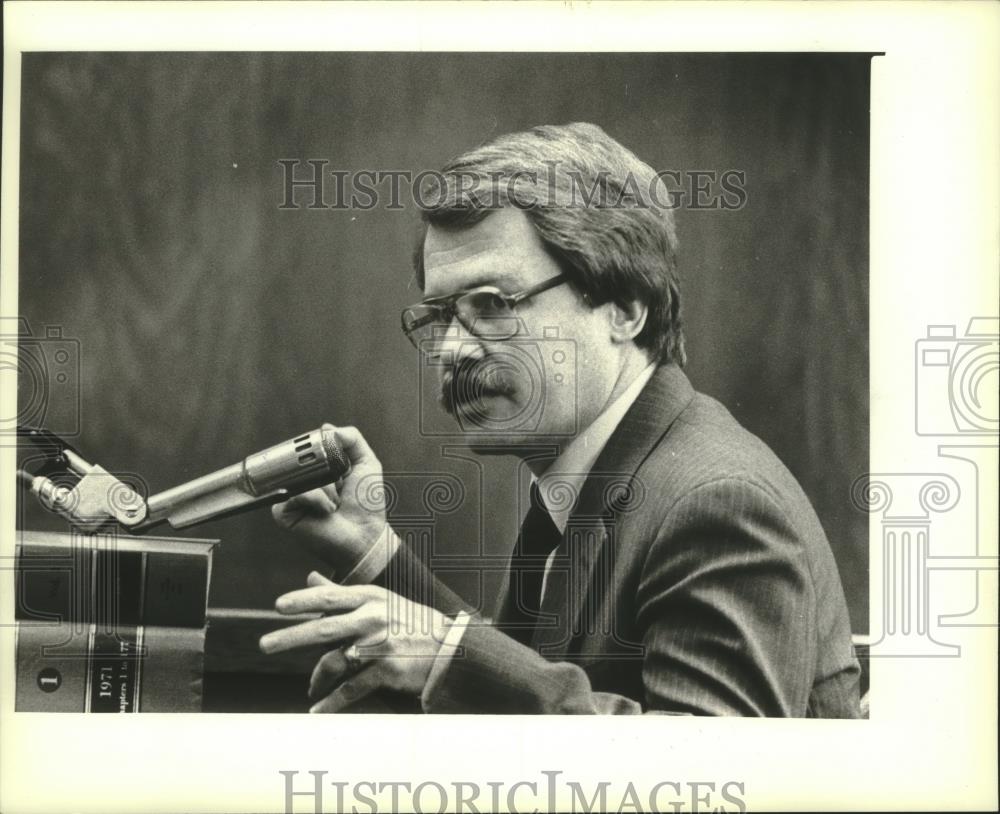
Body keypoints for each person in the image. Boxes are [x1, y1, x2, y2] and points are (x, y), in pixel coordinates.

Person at [258, 122, 861, 716]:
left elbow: (713, 777)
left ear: (625, 309)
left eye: (493, 305)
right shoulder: (597, 470)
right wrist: (371, 552)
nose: (451, 351)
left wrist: (449, 656)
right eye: (439, 316)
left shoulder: (718, 503)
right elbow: (532, 675)